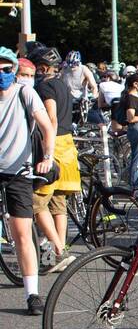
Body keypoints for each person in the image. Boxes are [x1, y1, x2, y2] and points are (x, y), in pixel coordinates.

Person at [0, 46, 55, 312]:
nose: (2, 74)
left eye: (7, 69)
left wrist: (48, 156)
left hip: (18, 172)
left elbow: (47, 127)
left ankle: (32, 294)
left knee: (22, 233)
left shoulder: (25, 92)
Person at [29, 44, 81, 273]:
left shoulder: (46, 87)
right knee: (58, 204)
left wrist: (46, 151)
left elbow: (51, 118)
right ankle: (58, 253)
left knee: (36, 202)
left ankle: (58, 251)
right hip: (68, 146)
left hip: (54, 147)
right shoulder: (63, 84)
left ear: (42, 67)